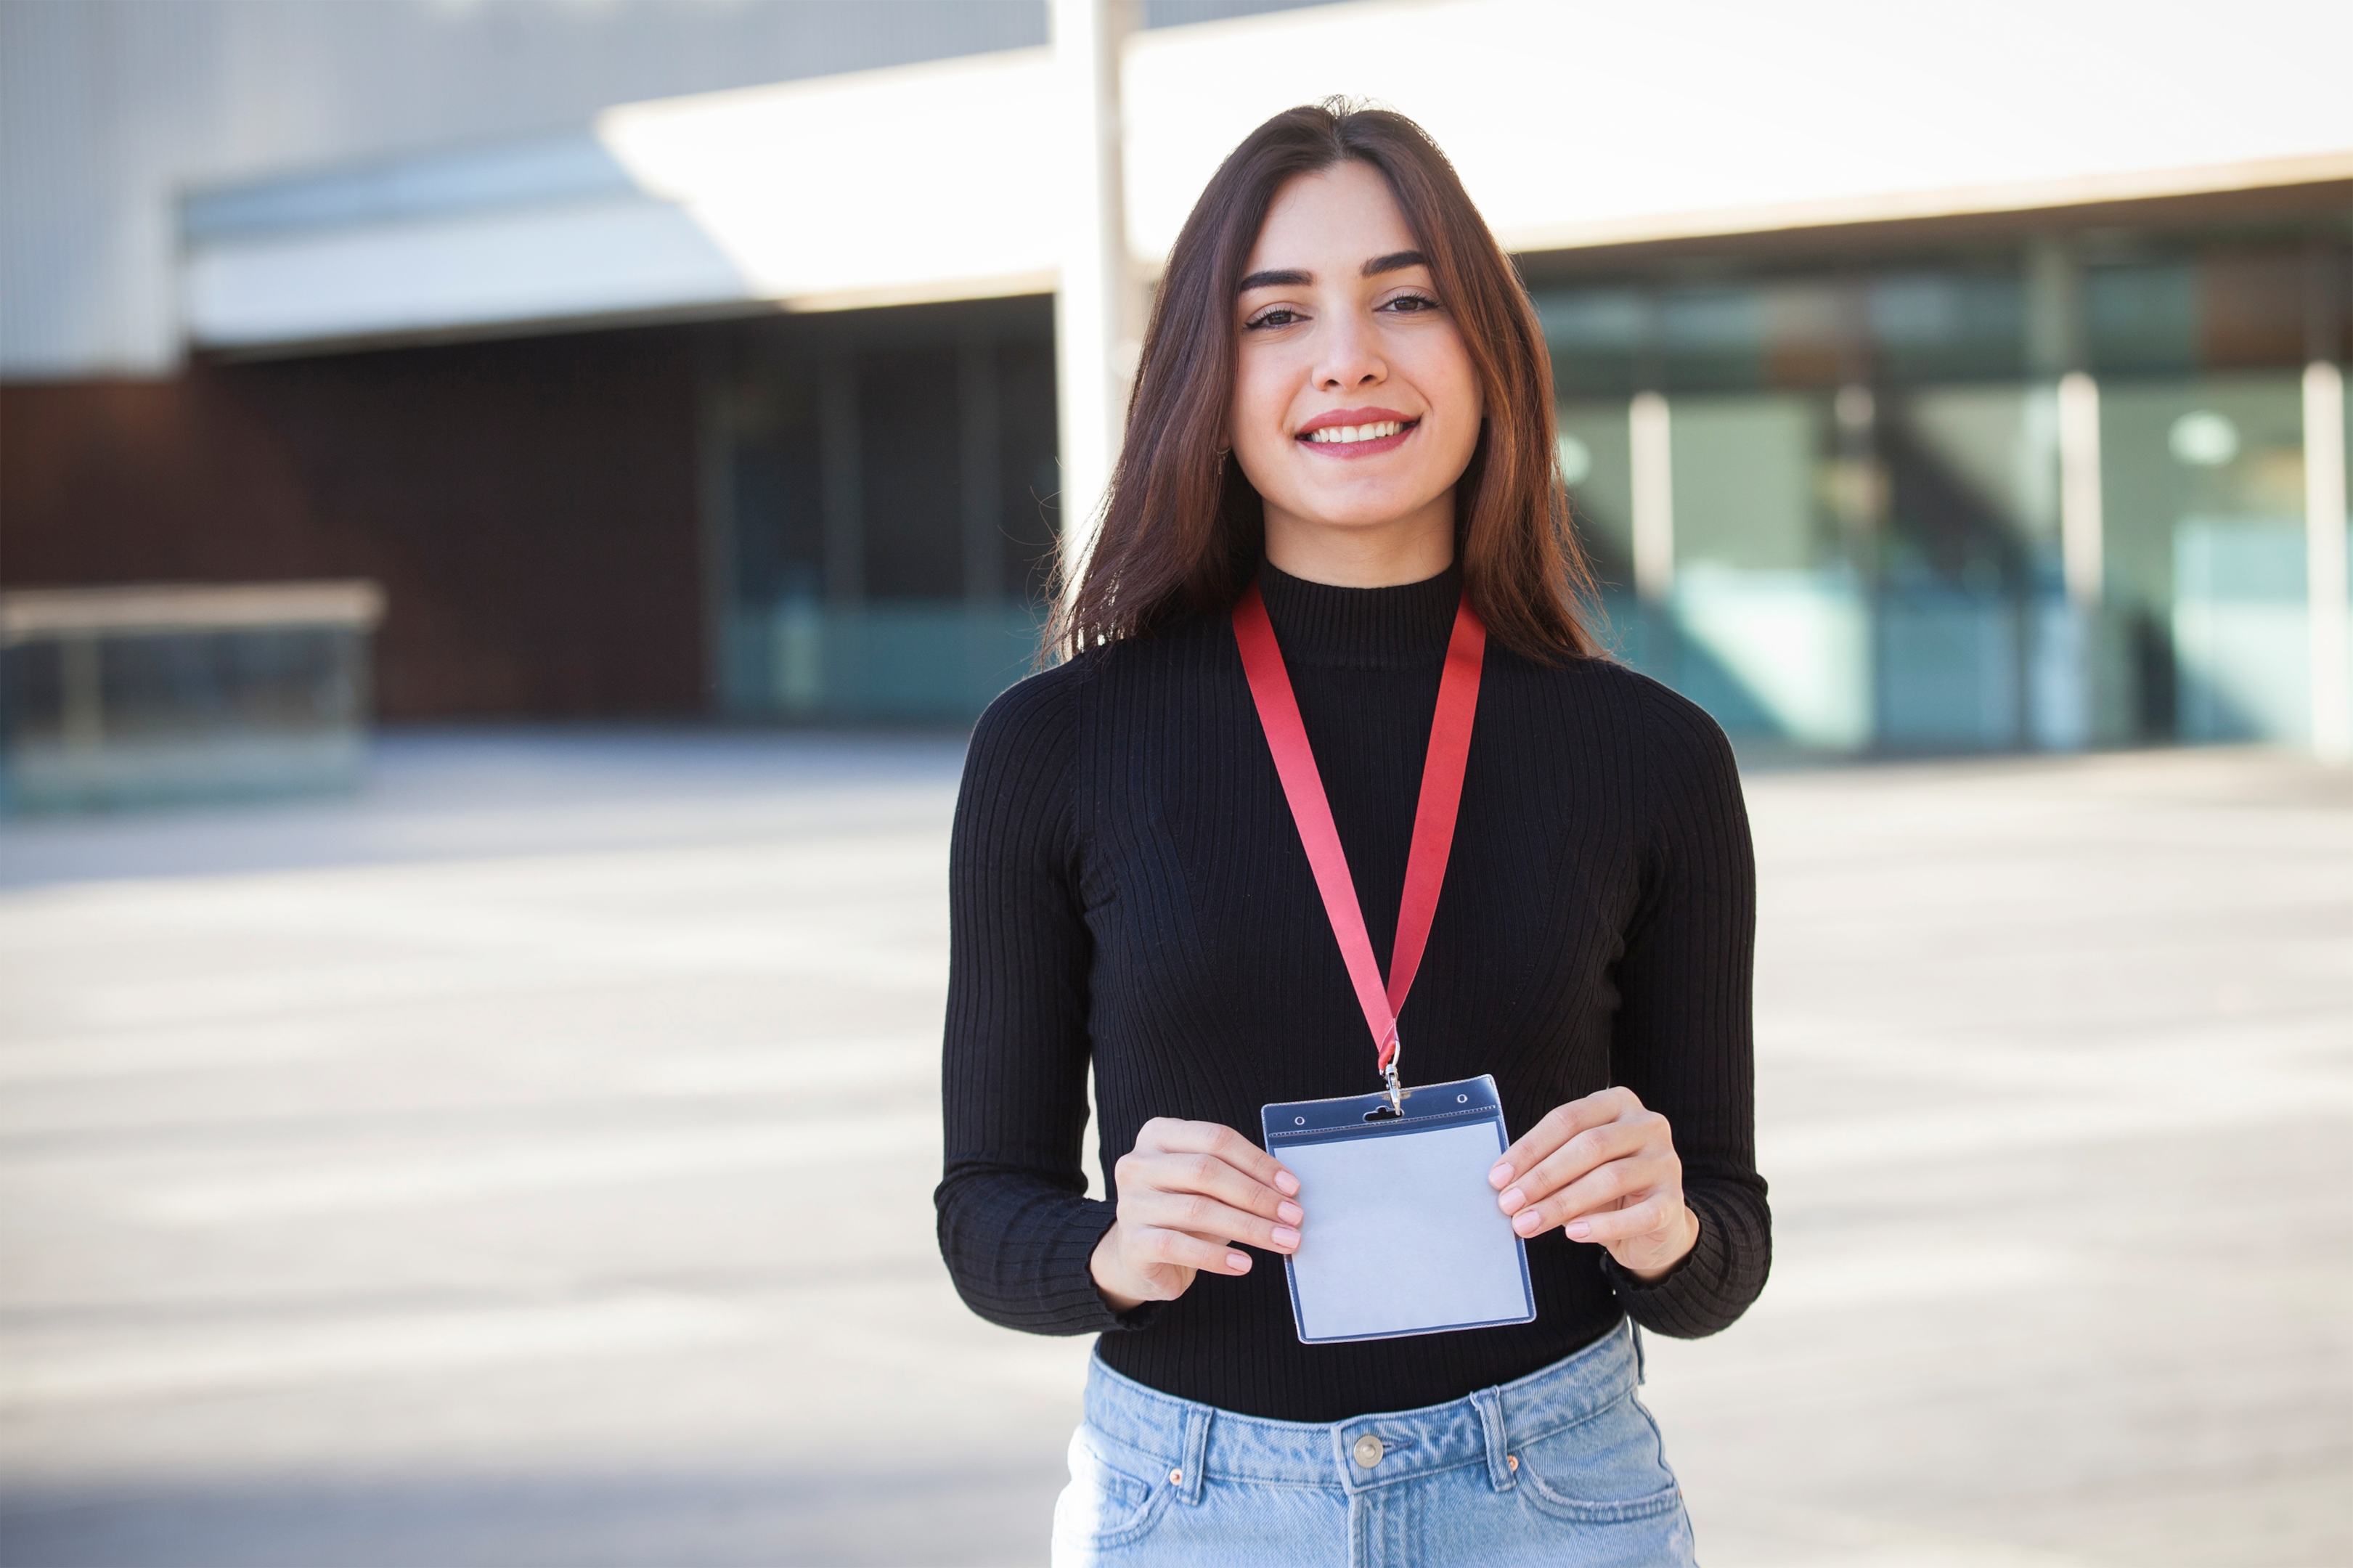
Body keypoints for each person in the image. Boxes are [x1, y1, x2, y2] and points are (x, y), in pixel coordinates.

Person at [937, 99, 1766, 1567]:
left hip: (1556, 1496)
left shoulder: (1654, 756)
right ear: (1209, 371)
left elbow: (1722, 1248)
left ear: (1489, 349)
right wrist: (1110, 1253)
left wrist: (1671, 1229)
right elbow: (987, 1214)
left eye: (1407, 298)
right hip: (1191, 1509)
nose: (1348, 356)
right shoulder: (1054, 747)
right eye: (1277, 315)